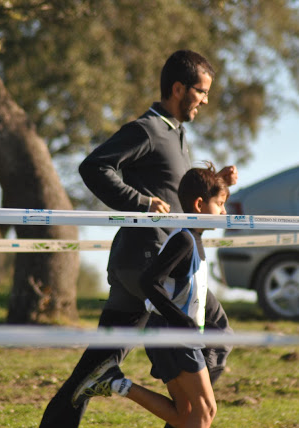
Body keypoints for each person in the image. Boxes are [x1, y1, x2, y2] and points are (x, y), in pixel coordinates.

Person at [40, 49, 237, 427]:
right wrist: (141, 203)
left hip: (150, 263)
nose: (206, 100)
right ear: (178, 88)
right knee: (218, 333)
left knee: (96, 366)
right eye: (201, 91)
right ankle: (188, 419)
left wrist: (220, 185)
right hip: (154, 263)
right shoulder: (147, 129)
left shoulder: (176, 135)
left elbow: (181, 193)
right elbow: (95, 166)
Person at [71, 163, 228, 428]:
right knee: (204, 413)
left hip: (173, 333)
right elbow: (148, 281)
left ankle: (114, 382)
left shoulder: (194, 239)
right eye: (220, 203)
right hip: (174, 334)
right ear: (200, 205)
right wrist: (181, 321)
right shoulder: (184, 240)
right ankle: (111, 380)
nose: (224, 212)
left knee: (184, 414)